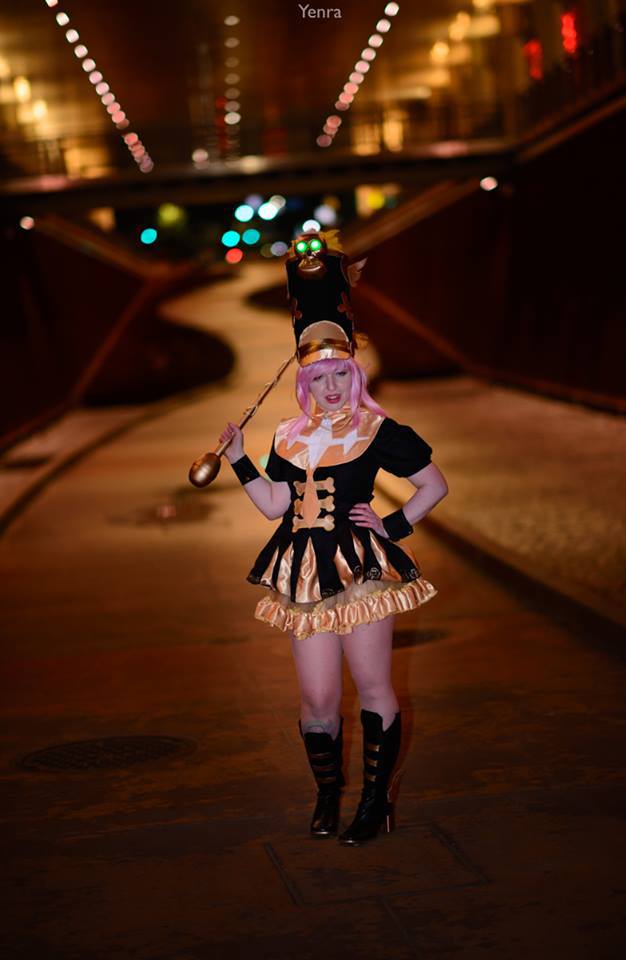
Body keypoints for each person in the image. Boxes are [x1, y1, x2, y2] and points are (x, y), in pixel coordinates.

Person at [218, 230, 448, 845]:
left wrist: (393, 526)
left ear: (354, 371)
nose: (330, 387)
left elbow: (433, 485)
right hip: (302, 573)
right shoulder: (287, 436)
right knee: (318, 697)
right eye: (319, 377)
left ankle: (375, 801)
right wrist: (240, 460)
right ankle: (327, 793)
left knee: (372, 686)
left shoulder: (377, 430)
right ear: (304, 382)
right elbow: (275, 506)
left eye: (340, 374)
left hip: (362, 570)